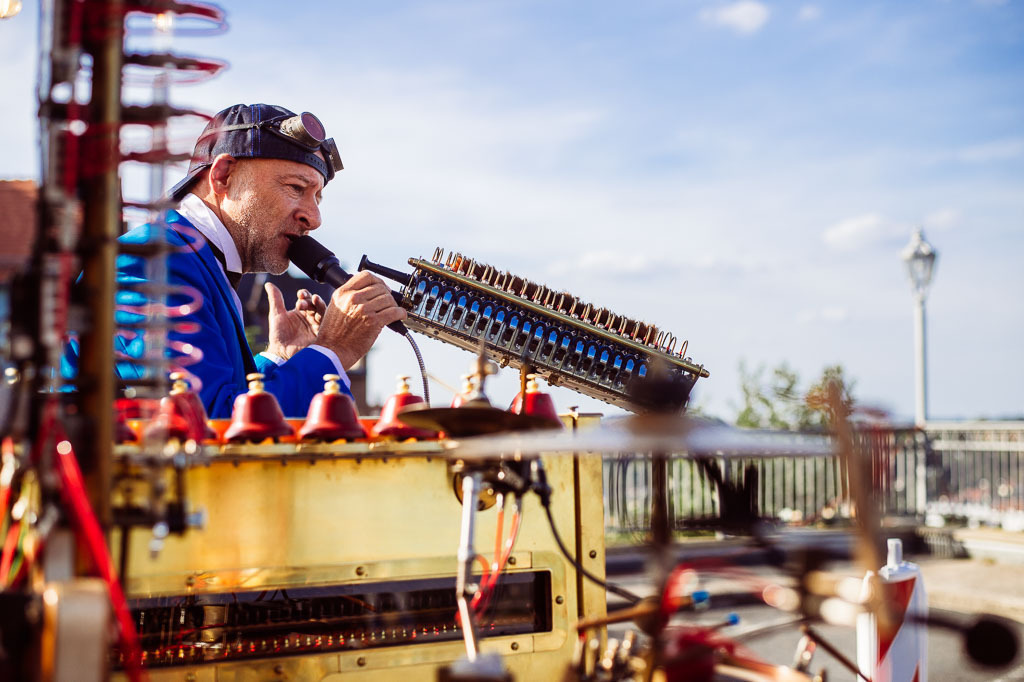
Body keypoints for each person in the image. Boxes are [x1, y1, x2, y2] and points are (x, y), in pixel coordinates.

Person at [64, 103, 406, 417]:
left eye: (317, 197)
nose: (314, 218)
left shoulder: (191, 258)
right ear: (223, 175)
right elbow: (207, 425)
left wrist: (279, 359)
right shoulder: (151, 261)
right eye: (295, 188)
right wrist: (333, 350)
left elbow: (224, 400)